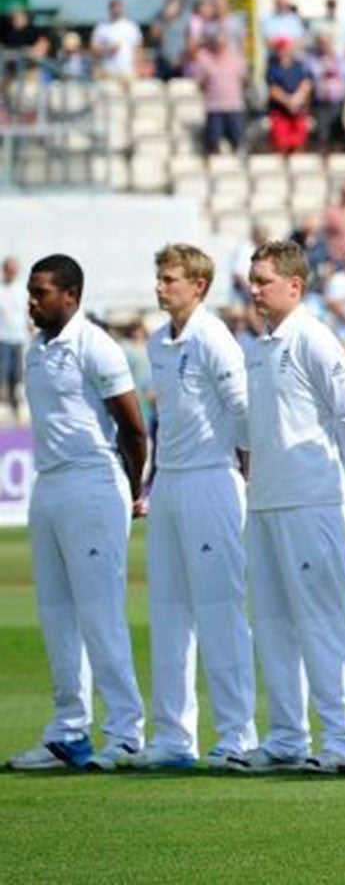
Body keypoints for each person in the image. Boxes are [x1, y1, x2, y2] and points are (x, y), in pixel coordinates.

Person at [9, 254, 149, 771]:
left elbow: (134, 430)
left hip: (93, 482)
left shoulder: (96, 347)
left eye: (42, 292)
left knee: (99, 611)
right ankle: (69, 731)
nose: (32, 301)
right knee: (57, 614)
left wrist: (132, 491)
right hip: (48, 485)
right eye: (30, 291)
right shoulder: (36, 352)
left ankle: (126, 733)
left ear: (71, 295)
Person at [242, 239, 345, 770]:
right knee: (271, 622)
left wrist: (323, 472)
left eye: (263, 280)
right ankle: (288, 737)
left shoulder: (314, 339)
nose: (253, 290)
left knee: (320, 620)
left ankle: (342, 737)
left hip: (313, 500)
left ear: (295, 286)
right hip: (266, 502)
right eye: (251, 280)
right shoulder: (257, 346)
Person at [133, 244, 256, 770]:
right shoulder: (159, 342)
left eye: (170, 279)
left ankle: (237, 735)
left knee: (220, 611)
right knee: (167, 613)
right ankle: (173, 737)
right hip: (173, 486)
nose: (160, 287)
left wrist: (246, 477)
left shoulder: (214, 338)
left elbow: (245, 415)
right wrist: (151, 483)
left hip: (212, 481)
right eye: (159, 278)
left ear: (198, 286)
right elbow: (166, 425)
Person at [0, 255, 27, 419]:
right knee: (3, 371)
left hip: (18, 336)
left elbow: (27, 311)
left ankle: (15, 404)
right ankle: (4, 404)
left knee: (16, 373)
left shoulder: (21, 289)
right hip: (3, 337)